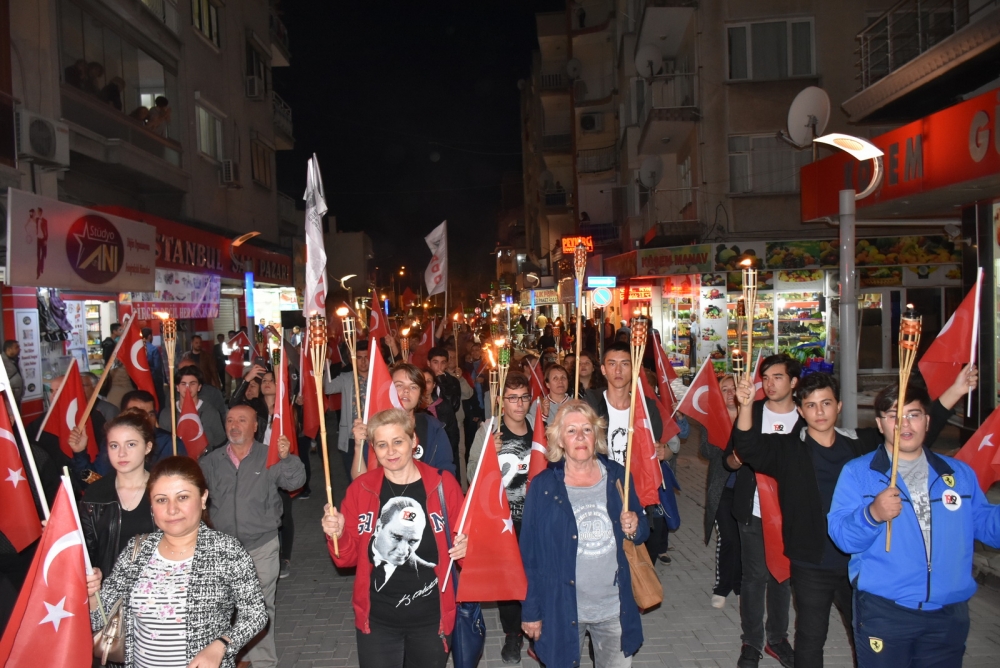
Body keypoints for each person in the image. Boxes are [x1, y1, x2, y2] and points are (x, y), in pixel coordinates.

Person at [732, 368, 977, 668]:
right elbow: (747, 447)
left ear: (839, 406)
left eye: (826, 403)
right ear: (800, 410)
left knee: (863, 633)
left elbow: (908, 431)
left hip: (857, 561)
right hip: (811, 561)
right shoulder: (788, 449)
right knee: (810, 637)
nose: (819, 411)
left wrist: (955, 391)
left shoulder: (859, 444)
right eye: (810, 405)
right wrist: (745, 406)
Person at [828, 377, 1000, 668]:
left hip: (948, 614)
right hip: (886, 612)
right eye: (894, 416)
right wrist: (872, 514)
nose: (904, 424)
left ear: (927, 421)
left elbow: (986, 525)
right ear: (880, 424)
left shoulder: (958, 474)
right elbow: (843, 538)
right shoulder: (859, 473)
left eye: (913, 415)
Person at [85, 456, 268, 668]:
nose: (172, 509)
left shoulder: (226, 550)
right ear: (152, 506)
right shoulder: (137, 551)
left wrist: (222, 645)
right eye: (162, 500)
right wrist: (91, 595)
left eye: (182, 497)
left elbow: (256, 614)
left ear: (202, 498)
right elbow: (99, 620)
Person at [320, 408, 468, 667]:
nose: (390, 451)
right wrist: (339, 534)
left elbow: (469, 550)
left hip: (432, 620)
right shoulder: (361, 490)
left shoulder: (443, 486)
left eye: (398, 441)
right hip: (378, 621)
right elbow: (346, 560)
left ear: (413, 442)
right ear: (373, 449)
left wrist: (468, 548)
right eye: (382, 444)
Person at [520, 400, 647, 667]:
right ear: (560, 441)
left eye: (587, 430)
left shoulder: (618, 477)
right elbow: (529, 555)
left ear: (597, 435)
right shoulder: (543, 487)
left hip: (614, 607)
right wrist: (531, 610)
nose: (580, 437)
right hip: (562, 607)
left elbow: (642, 530)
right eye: (571, 431)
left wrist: (635, 525)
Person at [199, 404, 305, 668]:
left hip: (261, 546)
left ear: (255, 426)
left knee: (259, 607)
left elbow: (295, 482)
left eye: (242, 420)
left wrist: (288, 458)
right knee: (223, 608)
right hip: (221, 550)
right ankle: (228, 657)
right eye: (231, 420)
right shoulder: (210, 462)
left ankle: (263, 662)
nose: (234, 425)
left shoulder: (268, 456)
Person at [722, 353, 798, 668]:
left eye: (777, 377)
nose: (769, 384)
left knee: (783, 577)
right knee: (754, 577)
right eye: (765, 378)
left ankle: (777, 638)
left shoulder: (805, 417)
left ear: (794, 382)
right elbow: (727, 459)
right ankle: (751, 642)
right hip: (753, 510)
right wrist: (737, 460)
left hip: (791, 513)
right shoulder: (750, 411)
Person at [467, 373, 534, 662]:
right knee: (509, 579)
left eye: (524, 397)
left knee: (535, 576)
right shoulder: (489, 431)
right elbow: (471, 474)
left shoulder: (540, 429)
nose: (519, 404)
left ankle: (536, 626)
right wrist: (487, 456)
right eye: (512, 398)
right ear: (501, 401)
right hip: (503, 522)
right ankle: (513, 634)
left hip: (534, 519)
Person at [80, 408, 159, 579]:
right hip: (110, 595)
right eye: (114, 446)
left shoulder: (166, 490)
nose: (121, 453)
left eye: (131, 444)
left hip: (158, 594)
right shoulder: (95, 495)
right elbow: (85, 554)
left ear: (147, 447)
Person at [352, 363, 456, 478]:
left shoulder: (433, 427)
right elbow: (360, 481)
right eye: (399, 385)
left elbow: (446, 472)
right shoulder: (376, 427)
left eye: (413, 387)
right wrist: (358, 445)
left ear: (421, 393)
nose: (406, 391)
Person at [700, 374, 742, 610]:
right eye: (724, 389)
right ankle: (722, 586)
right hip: (723, 487)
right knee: (727, 538)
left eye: (732, 388)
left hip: (747, 489)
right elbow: (705, 450)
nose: (729, 393)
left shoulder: (752, 417)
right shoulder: (713, 419)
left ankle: (741, 585)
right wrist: (724, 438)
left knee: (745, 539)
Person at [325, 340, 370, 476]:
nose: (363, 362)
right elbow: (328, 388)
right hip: (350, 436)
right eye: (359, 358)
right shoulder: (346, 378)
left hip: (372, 436)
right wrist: (326, 365)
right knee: (353, 477)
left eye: (366, 357)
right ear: (352, 360)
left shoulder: (378, 378)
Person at [121, 389, 187, 464]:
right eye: (139, 415)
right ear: (124, 415)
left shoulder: (171, 443)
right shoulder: (114, 442)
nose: (147, 419)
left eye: (151, 414)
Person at [528, 363, 570, 427]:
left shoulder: (576, 404)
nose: (560, 381)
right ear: (547, 384)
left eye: (563, 378)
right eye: (555, 378)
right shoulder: (538, 404)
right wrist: (544, 415)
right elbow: (534, 430)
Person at [142, 326, 166, 408]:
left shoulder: (140, 349)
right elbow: (157, 367)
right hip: (154, 379)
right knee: (159, 401)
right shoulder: (153, 349)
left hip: (143, 380)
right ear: (149, 336)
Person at [2, 340, 23, 406]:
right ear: (9, 349)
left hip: (16, 398)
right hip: (8, 401)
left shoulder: (14, 360)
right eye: (17, 347)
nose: (19, 349)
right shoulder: (2, 362)